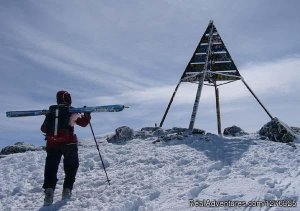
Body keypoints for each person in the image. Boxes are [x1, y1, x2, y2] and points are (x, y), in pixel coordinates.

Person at [41, 90, 91, 206]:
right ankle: (67, 190)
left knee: (51, 167)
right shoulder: (71, 111)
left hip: (52, 144)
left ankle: (49, 191)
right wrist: (87, 115)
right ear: (68, 99)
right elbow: (83, 123)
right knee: (71, 166)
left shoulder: (51, 112)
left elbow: (43, 129)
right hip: (69, 144)